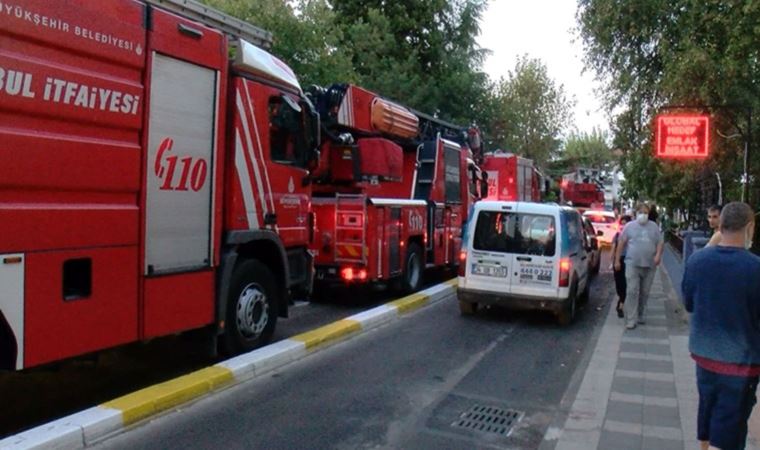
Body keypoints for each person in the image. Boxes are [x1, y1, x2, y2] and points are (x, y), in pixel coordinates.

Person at [682, 202, 760, 450]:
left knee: (707, 413)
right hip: (740, 365)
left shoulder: (697, 261)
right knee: (729, 430)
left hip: (704, 358)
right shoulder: (755, 268)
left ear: (721, 225)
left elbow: (689, 304)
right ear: (749, 227)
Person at [613, 203, 663, 329]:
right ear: (636, 214)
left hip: (649, 265)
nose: (643, 215)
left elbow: (660, 242)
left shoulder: (654, 227)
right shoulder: (629, 227)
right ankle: (631, 319)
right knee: (632, 291)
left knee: (644, 292)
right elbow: (621, 242)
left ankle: (641, 313)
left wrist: (658, 255)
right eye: (640, 212)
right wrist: (617, 260)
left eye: (645, 212)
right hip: (632, 264)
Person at [611, 215, 632, 318]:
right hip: (618, 261)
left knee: (626, 284)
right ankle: (621, 299)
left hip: (629, 261)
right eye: (622, 224)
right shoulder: (617, 235)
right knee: (619, 284)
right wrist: (613, 261)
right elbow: (613, 248)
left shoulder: (632, 236)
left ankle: (621, 305)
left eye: (625, 224)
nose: (623, 226)